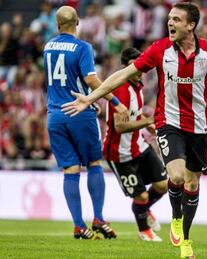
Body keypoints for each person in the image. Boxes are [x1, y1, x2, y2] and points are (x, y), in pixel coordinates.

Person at [61, 2, 207, 257]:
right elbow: (123, 74)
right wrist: (91, 97)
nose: (170, 23)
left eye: (176, 19)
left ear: (191, 25)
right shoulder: (160, 49)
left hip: (197, 126)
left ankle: (185, 238)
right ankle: (176, 218)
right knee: (175, 177)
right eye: (169, 18)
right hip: (168, 122)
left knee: (193, 184)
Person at [44, 6, 127, 239]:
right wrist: (115, 101)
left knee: (70, 169)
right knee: (93, 163)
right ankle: (99, 218)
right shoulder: (83, 47)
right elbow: (90, 79)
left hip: (55, 115)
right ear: (77, 22)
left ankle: (79, 226)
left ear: (57, 24)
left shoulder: (47, 47)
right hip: (79, 113)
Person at [103, 47, 167, 242]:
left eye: (140, 66)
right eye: (133, 66)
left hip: (139, 145)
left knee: (163, 185)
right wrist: (148, 121)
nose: (138, 70)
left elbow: (135, 116)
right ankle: (144, 231)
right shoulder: (121, 89)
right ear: (125, 67)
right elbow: (120, 127)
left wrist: (149, 129)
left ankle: (144, 210)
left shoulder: (137, 87)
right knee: (141, 197)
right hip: (119, 154)